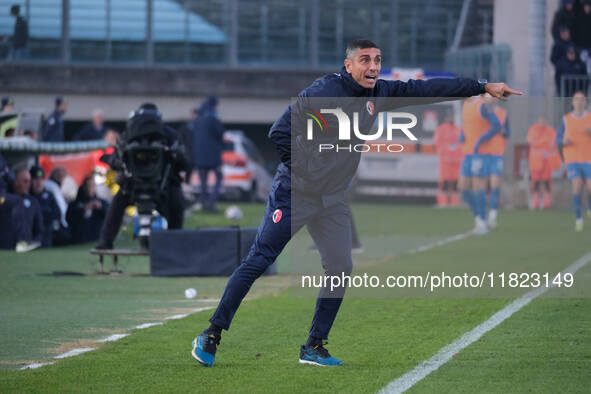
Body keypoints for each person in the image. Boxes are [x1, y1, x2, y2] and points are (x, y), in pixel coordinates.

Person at [190, 39, 521, 368]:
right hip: (295, 193)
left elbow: (429, 88)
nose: (373, 66)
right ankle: (211, 334)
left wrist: (482, 86)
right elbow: (280, 133)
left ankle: (314, 346)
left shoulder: (379, 94)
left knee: (340, 268)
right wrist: (310, 172)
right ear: (348, 65)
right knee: (259, 259)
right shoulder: (323, 93)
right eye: (365, 60)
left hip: (332, 200)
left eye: (377, 60)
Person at [96, 103, 189, 250]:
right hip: (163, 188)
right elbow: (183, 163)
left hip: (133, 186)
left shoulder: (129, 135)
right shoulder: (169, 134)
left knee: (117, 206)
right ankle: (174, 247)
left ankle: (105, 243)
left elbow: (116, 160)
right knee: (176, 208)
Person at [458, 94, 502, 235]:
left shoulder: (482, 105)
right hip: (468, 152)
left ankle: (482, 223)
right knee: (463, 187)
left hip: (480, 152)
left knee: (478, 186)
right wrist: (463, 134)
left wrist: (481, 139)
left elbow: (496, 125)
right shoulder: (465, 105)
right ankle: (479, 218)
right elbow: (466, 125)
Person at [556, 91, 591, 231]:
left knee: (589, 187)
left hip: (588, 158)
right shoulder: (566, 119)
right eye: (577, 100)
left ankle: (589, 206)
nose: (579, 102)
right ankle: (578, 219)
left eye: (582, 100)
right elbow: (558, 138)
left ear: (586, 102)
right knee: (576, 187)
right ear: (572, 102)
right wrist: (563, 141)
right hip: (572, 159)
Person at [479, 99, 510, 229]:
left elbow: (508, 132)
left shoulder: (503, 113)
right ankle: (481, 216)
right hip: (483, 152)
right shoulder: (481, 111)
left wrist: (504, 132)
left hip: (497, 153)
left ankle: (492, 216)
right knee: (481, 185)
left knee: (495, 185)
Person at [191, 96, 224, 212]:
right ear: (213, 105)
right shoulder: (213, 118)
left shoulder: (197, 119)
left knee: (203, 182)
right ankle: (211, 203)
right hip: (213, 156)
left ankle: (203, 202)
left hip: (200, 156)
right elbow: (220, 134)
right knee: (219, 178)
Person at [0, 168, 43, 252]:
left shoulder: (33, 202)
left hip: (25, 248)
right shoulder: (5, 200)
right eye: (25, 181)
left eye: (29, 181)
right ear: (15, 182)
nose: (28, 184)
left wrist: (36, 241)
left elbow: (39, 227)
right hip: (4, 247)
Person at [527, 115, 560, 210]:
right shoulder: (533, 129)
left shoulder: (551, 131)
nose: (542, 122)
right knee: (536, 180)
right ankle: (536, 200)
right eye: (541, 120)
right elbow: (532, 142)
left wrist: (541, 144)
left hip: (547, 160)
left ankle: (546, 201)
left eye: (544, 120)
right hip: (535, 160)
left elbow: (553, 143)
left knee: (546, 180)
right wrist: (544, 143)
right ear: (538, 120)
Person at [66, 176, 108, 244]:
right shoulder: (74, 204)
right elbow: (69, 219)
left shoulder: (102, 203)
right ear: (84, 187)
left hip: (97, 238)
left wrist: (101, 208)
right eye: (88, 186)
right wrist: (83, 210)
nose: (90, 189)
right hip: (79, 240)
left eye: (92, 186)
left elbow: (110, 217)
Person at [433, 112, 463, 207]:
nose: (451, 118)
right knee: (444, 184)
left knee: (455, 184)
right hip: (445, 162)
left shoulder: (458, 129)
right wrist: (444, 154)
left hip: (457, 162)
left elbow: (462, 143)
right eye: (449, 116)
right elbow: (437, 143)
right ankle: (443, 203)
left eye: (452, 116)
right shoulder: (441, 129)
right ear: (446, 117)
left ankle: (454, 204)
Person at [29, 165, 61, 247]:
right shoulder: (27, 196)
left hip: (46, 234)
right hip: (30, 234)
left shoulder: (49, 196)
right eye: (36, 179)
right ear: (31, 180)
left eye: (41, 179)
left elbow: (57, 213)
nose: (39, 182)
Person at [45, 167, 71, 245]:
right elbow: (61, 208)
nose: (61, 178)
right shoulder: (51, 185)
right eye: (59, 175)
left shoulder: (55, 186)